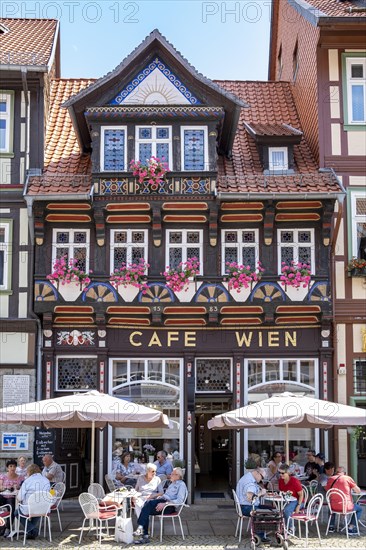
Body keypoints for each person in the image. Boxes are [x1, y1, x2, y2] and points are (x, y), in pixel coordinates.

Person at [133, 467, 186, 544]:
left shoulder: (181, 485)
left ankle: (142, 532)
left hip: (169, 507)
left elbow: (179, 501)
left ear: (177, 475)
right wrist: (159, 498)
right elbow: (165, 495)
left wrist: (165, 504)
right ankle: (144, 535)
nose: (170, 475)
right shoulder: (172, 483)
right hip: (163, 502)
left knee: (147, 506)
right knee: (146, 507)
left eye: (172, 474)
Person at [16, 463, 51, 540]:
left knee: (16, 512)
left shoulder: (27, 481)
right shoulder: (46, 480)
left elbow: (20, 497)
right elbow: (49, 494)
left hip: (29, 508)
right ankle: (30, 533)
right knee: (38, 510)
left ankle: (33, 530)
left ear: (29, 472)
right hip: (44, 508)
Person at [236, 467, 271, 543]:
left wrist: (260, 492)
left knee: (272, 509)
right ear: (257, 473)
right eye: (262, 477)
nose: (261, 480)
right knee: (262, 513)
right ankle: (259, 536)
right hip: (246, 507)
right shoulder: (249, 482)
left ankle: (263, 532)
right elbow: (250, 498)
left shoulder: (249, 477)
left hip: (246, 505)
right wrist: (261, 493)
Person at [325, 465, 361, 534]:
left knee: (331, 505)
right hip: (346, 506)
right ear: (345, 473)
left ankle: (331, 526)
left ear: (336, 472)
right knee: (359, 509)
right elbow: (358, 491)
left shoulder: (331, 479)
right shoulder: (347, 478)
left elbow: (328, 491)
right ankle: (351, 527)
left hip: (333, 507)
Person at [0, 459, 25, 536]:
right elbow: (0, 487)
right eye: (10, 466)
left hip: (13, 497)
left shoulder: (20, 478)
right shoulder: (3, 476)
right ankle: (2, 527)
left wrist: (18, 487)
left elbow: (23, 488)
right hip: (3, 496)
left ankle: (8, 527)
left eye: (14, 466)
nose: (12, 468)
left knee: (12, 506)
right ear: (7, 468)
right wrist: (5, 487)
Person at [278, 464, 304, 534]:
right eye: (279, 473)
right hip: (288, 499)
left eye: (283, 473)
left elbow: (301, 495)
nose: (281, 474)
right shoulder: (281, 481)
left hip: (298, 500)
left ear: (288, 473)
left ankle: (291, 528)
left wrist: (298, 506)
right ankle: (282, 527)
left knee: (286, 510)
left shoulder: (294, 481)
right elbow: (282, 491)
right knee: (278, 510)